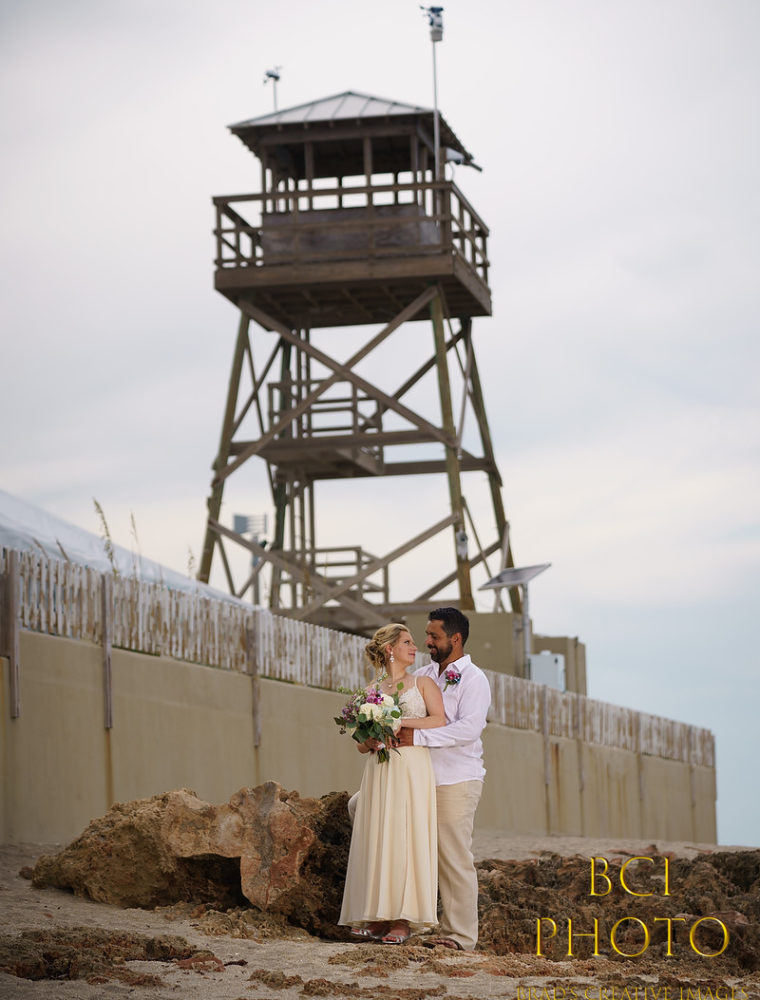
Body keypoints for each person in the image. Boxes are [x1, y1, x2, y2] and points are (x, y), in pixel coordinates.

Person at [338, 623, 445, 944]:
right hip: (380, 770)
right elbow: (359, 742)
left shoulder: (423, 683)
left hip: (412, 767)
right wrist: (369, 742)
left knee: (406, 835)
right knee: (378, 836)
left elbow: (438, 719)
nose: (415, 647)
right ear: (390, 649)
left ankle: (403, 919)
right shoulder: (371, 691)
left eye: (415, 642)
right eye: (408, 642)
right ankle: (378, 915)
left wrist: (398, 721)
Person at [393, 606, 491, 951]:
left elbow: (468, 729)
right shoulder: (422, 675)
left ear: (456, 638)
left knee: (452, 855)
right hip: (416, 776)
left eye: (434, 635)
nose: (427, 641)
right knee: (363, 809)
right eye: (427, 634)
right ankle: (401, 916)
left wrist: (417, 737)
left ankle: (460, 937)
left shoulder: (475, 680)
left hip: (456, 779)